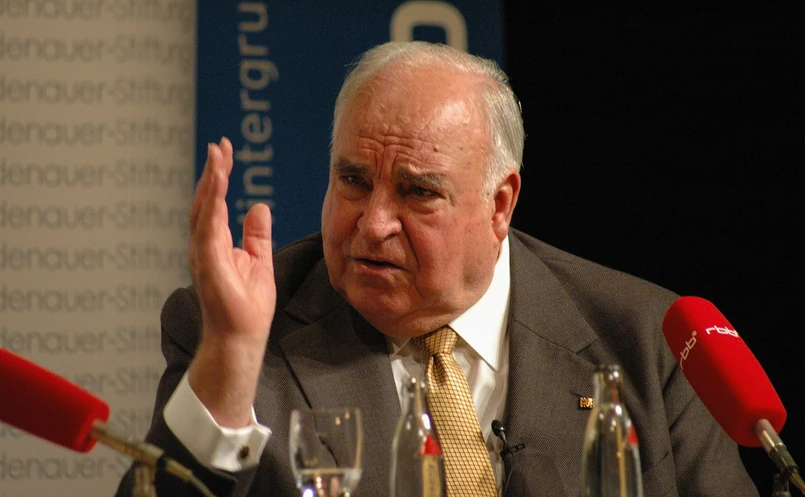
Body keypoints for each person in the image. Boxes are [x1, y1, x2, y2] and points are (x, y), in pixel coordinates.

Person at [114, 41, 758, 497]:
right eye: (353, 180)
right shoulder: (235, 331)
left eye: (417, 192)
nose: (373, 224)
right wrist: (230, 361)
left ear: (499, 204)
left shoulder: (648, 340)